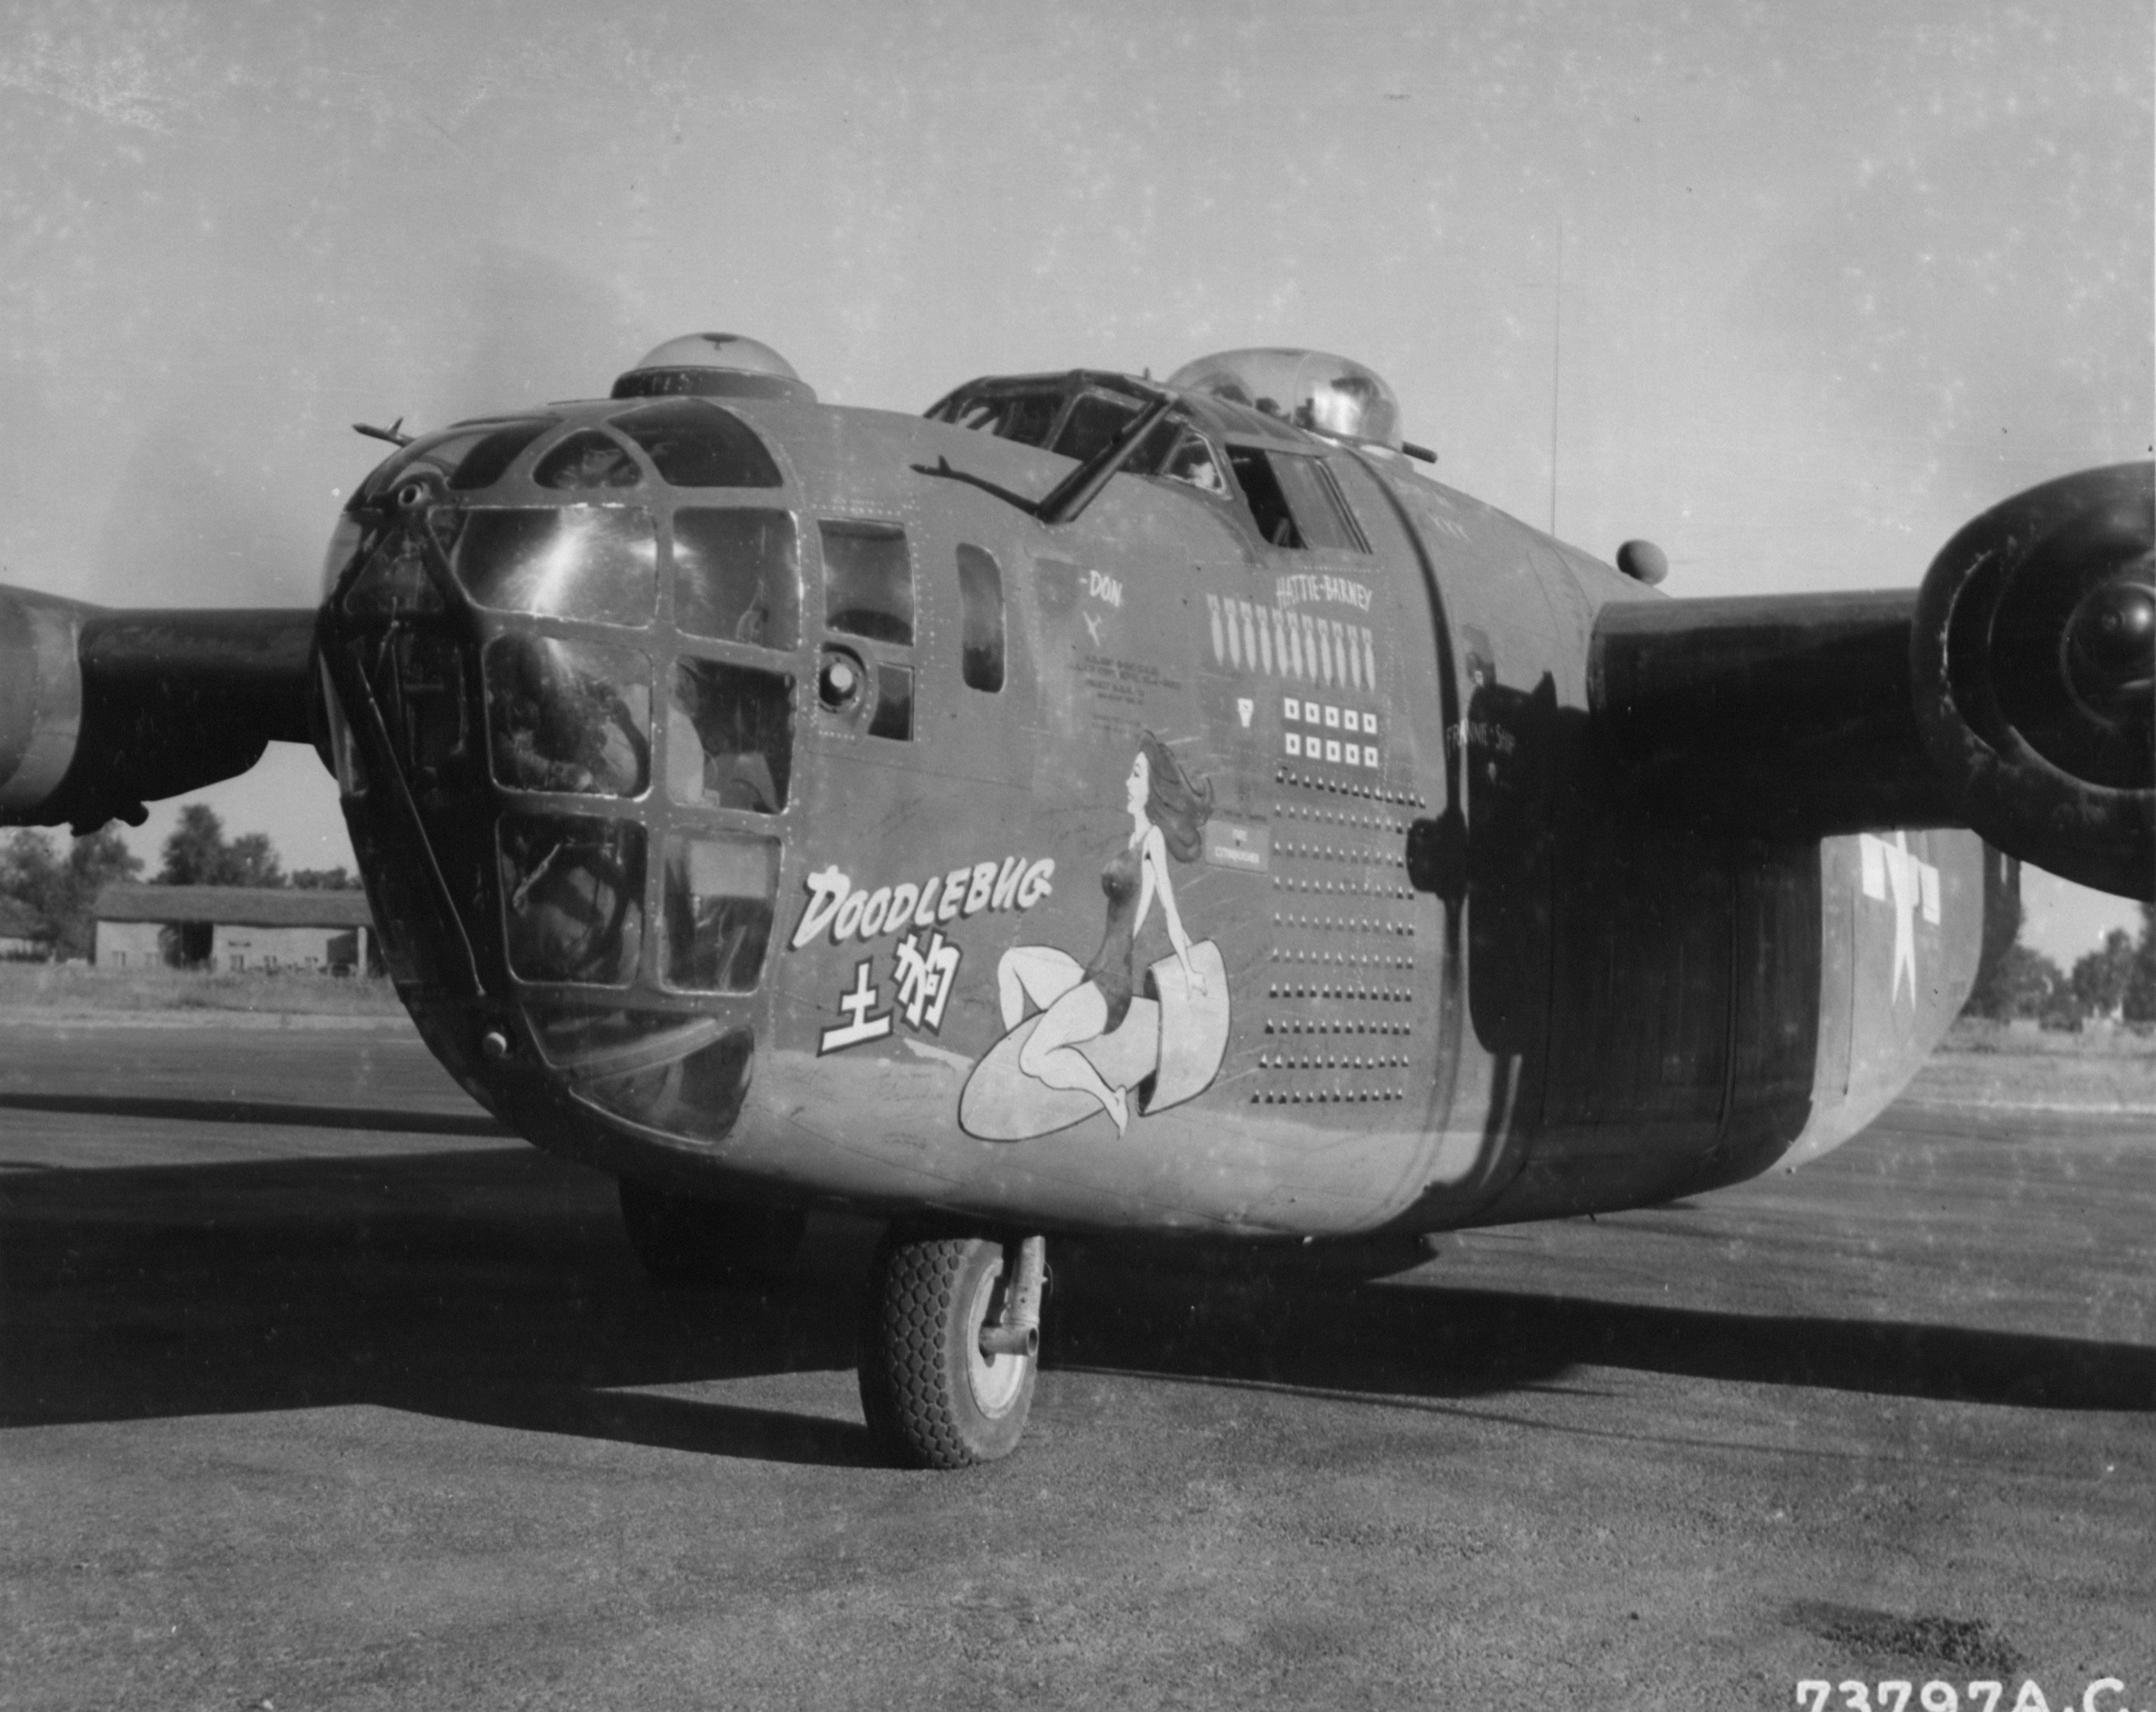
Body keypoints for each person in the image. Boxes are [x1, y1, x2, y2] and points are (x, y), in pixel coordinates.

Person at [995, 733, 1212, 1135]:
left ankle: (1106, 1095)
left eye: (1136, 775)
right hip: (1091, 973)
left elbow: (1171, 913)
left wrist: (1190, 969)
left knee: (1034, 1058)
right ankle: (1012, 1065)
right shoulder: (1133, 841)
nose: (1128, 783)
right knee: (1011, 963)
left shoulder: (1153, 842)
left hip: (1109, 991)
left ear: (1153, 789)